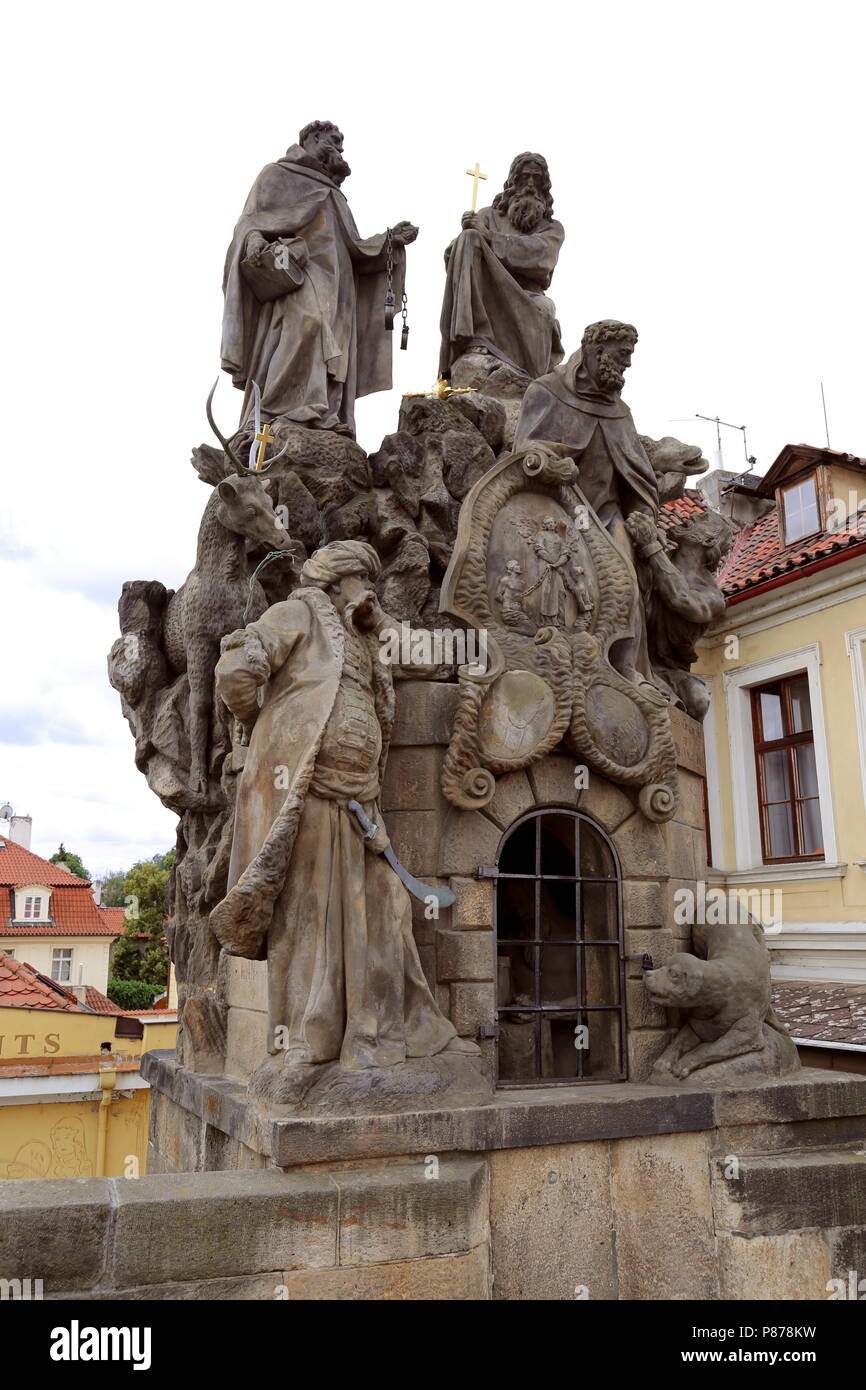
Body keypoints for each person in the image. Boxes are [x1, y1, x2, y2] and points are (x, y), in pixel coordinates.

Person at [210, 540, 476, 1073]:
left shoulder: (367, 638)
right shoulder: (298, 613)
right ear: (335, 581)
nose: (369, 589)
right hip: (307, 793)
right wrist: (262, 726)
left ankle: (390, 1033)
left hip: (363, 804)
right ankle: (306, 1045)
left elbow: (425, 658)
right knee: (310, 918)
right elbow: (236, 669)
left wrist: (379, 621)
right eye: (361, 579)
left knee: (387, 910)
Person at [221, 121, 418, 438]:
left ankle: (322, 412)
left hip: (339, 287)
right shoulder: (277, 175)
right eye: (334, 140)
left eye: (341, 143)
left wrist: (391, 240)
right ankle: (277, 411)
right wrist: (255, 240)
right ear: (312, 139)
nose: (340, 148)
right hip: (299, 275)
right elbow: (251, 220)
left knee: (335, 348)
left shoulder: (335, 195)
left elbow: (357, 248)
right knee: (306, 326)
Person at [439, 152, 564, 381]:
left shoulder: (552, 228)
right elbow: (452, 257)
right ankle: (472, 337)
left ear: (544, 186)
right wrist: (466, 236)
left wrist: (491, 239)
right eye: (524, 177)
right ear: (513, 182)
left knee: (546, 307)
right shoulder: (487, 216)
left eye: (536, 179)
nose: (529, 184)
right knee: (468, 238)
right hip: (488, 296)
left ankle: (533, 381)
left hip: (527, 296)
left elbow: (541, 256)